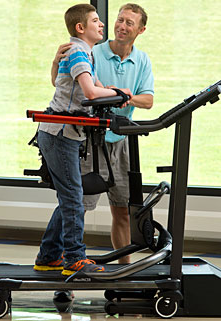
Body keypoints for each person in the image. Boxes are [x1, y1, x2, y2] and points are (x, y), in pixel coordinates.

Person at [34, 3, 132, 276]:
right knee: (73, 197)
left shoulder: (82, 52)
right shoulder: (78, 50)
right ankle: (74, 258)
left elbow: (71, 83)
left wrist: (117, 91)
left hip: (64, 134)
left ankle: (48, 256)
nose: (102, 25)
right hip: (60, 134)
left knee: (70, 196)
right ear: (81, 28)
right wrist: (117, 92)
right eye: (96, 21)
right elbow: (90, 92)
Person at [51, 3, 154, 264]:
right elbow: (72, 85)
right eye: (119, 20)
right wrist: (117, 94)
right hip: (90, 141)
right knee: (77, 207)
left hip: (121, 142)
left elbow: (148, 100)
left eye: (129, 23)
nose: (120, 26)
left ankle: (124, 274)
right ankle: (63, 262)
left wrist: (122, 97)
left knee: (122, 211)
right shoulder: (90, 50)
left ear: (140, 30)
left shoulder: (141, 60)